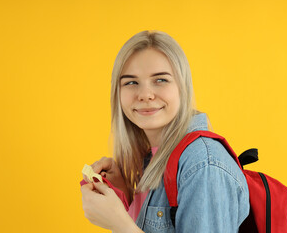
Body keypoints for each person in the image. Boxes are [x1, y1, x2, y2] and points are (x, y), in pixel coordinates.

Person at [80, 30, 250, 233]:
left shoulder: (203, 165)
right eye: (131, 82)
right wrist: (125, 200)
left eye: (160, 80)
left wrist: (120, 224)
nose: (144, 95)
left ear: (182, 87)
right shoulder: (154, 158)